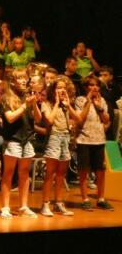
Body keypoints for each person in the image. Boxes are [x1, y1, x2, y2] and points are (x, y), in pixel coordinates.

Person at [0, 69, 42, 219]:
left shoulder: (28, 97)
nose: (24, 81)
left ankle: (23, 206)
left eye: (25, 78)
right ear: (12, 82)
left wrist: (34, 104)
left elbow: (38, 119)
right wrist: (25, 106)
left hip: (27, 139)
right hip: (13, 139)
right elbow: (10, 118)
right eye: (20, 78)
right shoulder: (6, 97)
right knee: (8, 173)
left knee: (24, 174)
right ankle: (5, 207)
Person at [40, 75, 79, 217]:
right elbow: (49, 120)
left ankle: (59, 202)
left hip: (65, 137)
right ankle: (45, 204)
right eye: (58, 87)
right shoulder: (47, 103)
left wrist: (68, 106)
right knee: (50, 173)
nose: (61, 90)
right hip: (53, 137)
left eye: (63, 87)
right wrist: (57, 103)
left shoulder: (67, 104)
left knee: (62, 174)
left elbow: (78, 119)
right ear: (53, 90)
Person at [75, 76, 114, 211]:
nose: (95, 88)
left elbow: (106, 119)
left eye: (96, 85)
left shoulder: (102, 100)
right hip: (84, 139)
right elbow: (80, 119)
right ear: (86, 87)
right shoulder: (80, 100)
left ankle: (101, 198)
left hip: (99, 139)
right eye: (91, 85)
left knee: (100, 171)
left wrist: (99, 107)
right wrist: (88, 102)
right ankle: (85, 199)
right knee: (83, 171)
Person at [98, 66, 122, 140]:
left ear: (111, 77)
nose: (102, 77)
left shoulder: (116, 87)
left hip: (114, 115)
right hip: (101, 115)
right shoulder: (97, 87)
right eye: (100, 75)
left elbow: (112, 99)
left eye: (105, 75)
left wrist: (103, 86)